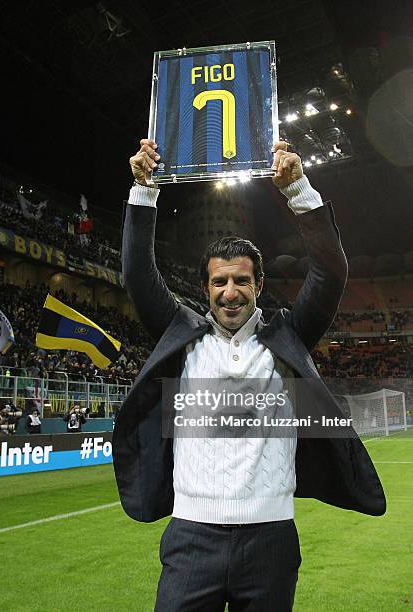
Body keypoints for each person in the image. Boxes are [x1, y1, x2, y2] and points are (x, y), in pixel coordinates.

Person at [112, 139, 386, 611]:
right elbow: (138, 275)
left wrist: (298, 189)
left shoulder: (289, 335)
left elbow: (330, 272)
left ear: (259, 285)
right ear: (205, 288)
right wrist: (143, 190)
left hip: (271, 539)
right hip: (190, 537)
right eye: (220, 281)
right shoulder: (184, 336)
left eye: (242, 280)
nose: (230, 292)